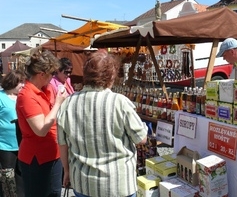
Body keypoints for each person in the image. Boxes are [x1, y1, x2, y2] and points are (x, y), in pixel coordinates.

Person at [57, 49, 148, 197]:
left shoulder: (68, 103)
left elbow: (63, 144)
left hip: (83, 182)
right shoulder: (120, 102)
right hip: (118, 184)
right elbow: (141, 138)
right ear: (111, 75)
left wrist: (66, 172)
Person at [15, 49, 67, 197]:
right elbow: (41, 129)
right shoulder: (27, 95)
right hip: (36, 159)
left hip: (53, 153)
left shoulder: (45, 89)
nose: (53, 78)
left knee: (55, 193)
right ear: (41, 74)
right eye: (51, 74)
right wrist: (58, 103)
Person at [0, 70, 25, 197]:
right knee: (8, 177)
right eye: (20, 82)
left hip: (22, 144)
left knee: (21, 176)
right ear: (12, 82)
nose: (23, 85)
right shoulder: (1, 97)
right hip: (5, 145)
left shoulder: (22, 97)